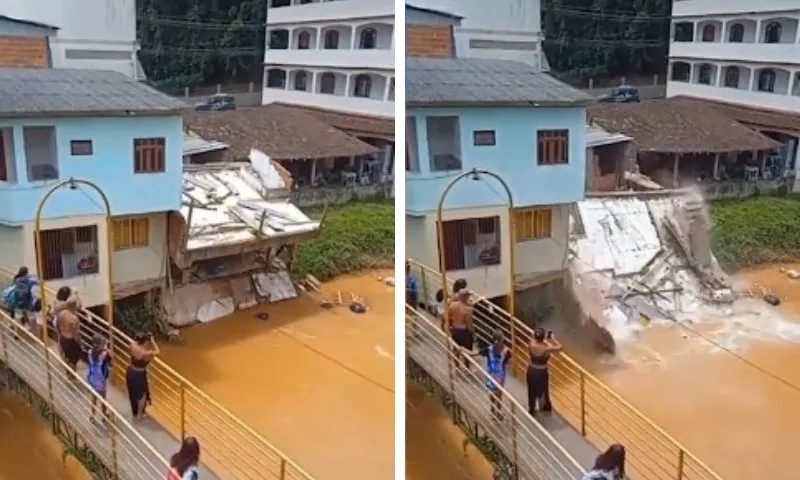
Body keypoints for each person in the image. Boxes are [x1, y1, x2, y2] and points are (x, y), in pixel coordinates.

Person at [471, 329, 511, 420]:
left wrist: (463, 350)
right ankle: (498, 412)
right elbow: (506, 362)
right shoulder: (507, 351)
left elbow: (474, 353)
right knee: (499, 394)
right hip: (500, 375)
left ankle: (492, 410)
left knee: (492, 393)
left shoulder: (488, 349)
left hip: (490, 374)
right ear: (502, 339)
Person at [526, 327, 562, 415]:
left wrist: (543, 338)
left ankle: (532, 408)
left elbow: (535, 339)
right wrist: (553, 339)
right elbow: (560, 347)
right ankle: (545, 406)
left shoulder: (531, 344)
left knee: (531, 389)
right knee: (544, 389)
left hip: (531, 370)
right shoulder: (546, 348)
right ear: (543, 338)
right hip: (541, 372)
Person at [126, 331, 160, 420]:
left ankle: (135, 411)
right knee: (142, 395)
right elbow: (157, 351)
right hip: (139, 374)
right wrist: (153, 341)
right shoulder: (145, 353)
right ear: (145, 342)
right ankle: (140, 415)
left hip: (130, 371)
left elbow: (129, 348)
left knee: (132, 392)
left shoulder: (133, 346)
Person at [87, 334, 111, 424]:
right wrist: (106, 348)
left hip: (92, 376)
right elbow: (110, 357)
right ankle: (104, 416)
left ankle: (92, 416)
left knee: (94, 397)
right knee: (103, 398)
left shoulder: (90, 352)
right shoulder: (103, 354)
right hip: (101, 378)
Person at [447, 289, 474, 370]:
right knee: (467, 350)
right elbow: (469, 324)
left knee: (456, 349)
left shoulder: (452, 305)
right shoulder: (468, 309)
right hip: (464, 331)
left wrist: (450, 327)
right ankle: (467, 368)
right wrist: (473, 334)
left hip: (455, 329)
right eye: (468, 295)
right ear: (465, 297)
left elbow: (448, 317)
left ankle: (457, 366)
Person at [57, 297, 84, 375]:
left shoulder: (61, 313)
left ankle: (68, 373)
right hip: (71, 341)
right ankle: (72, 375)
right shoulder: (74, 319)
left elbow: (58, 325)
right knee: (74, 359)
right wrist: (80, 343)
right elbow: (76, 334)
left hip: (63, 337)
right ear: (74, 306)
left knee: (67, 357)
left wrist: (60, 335)